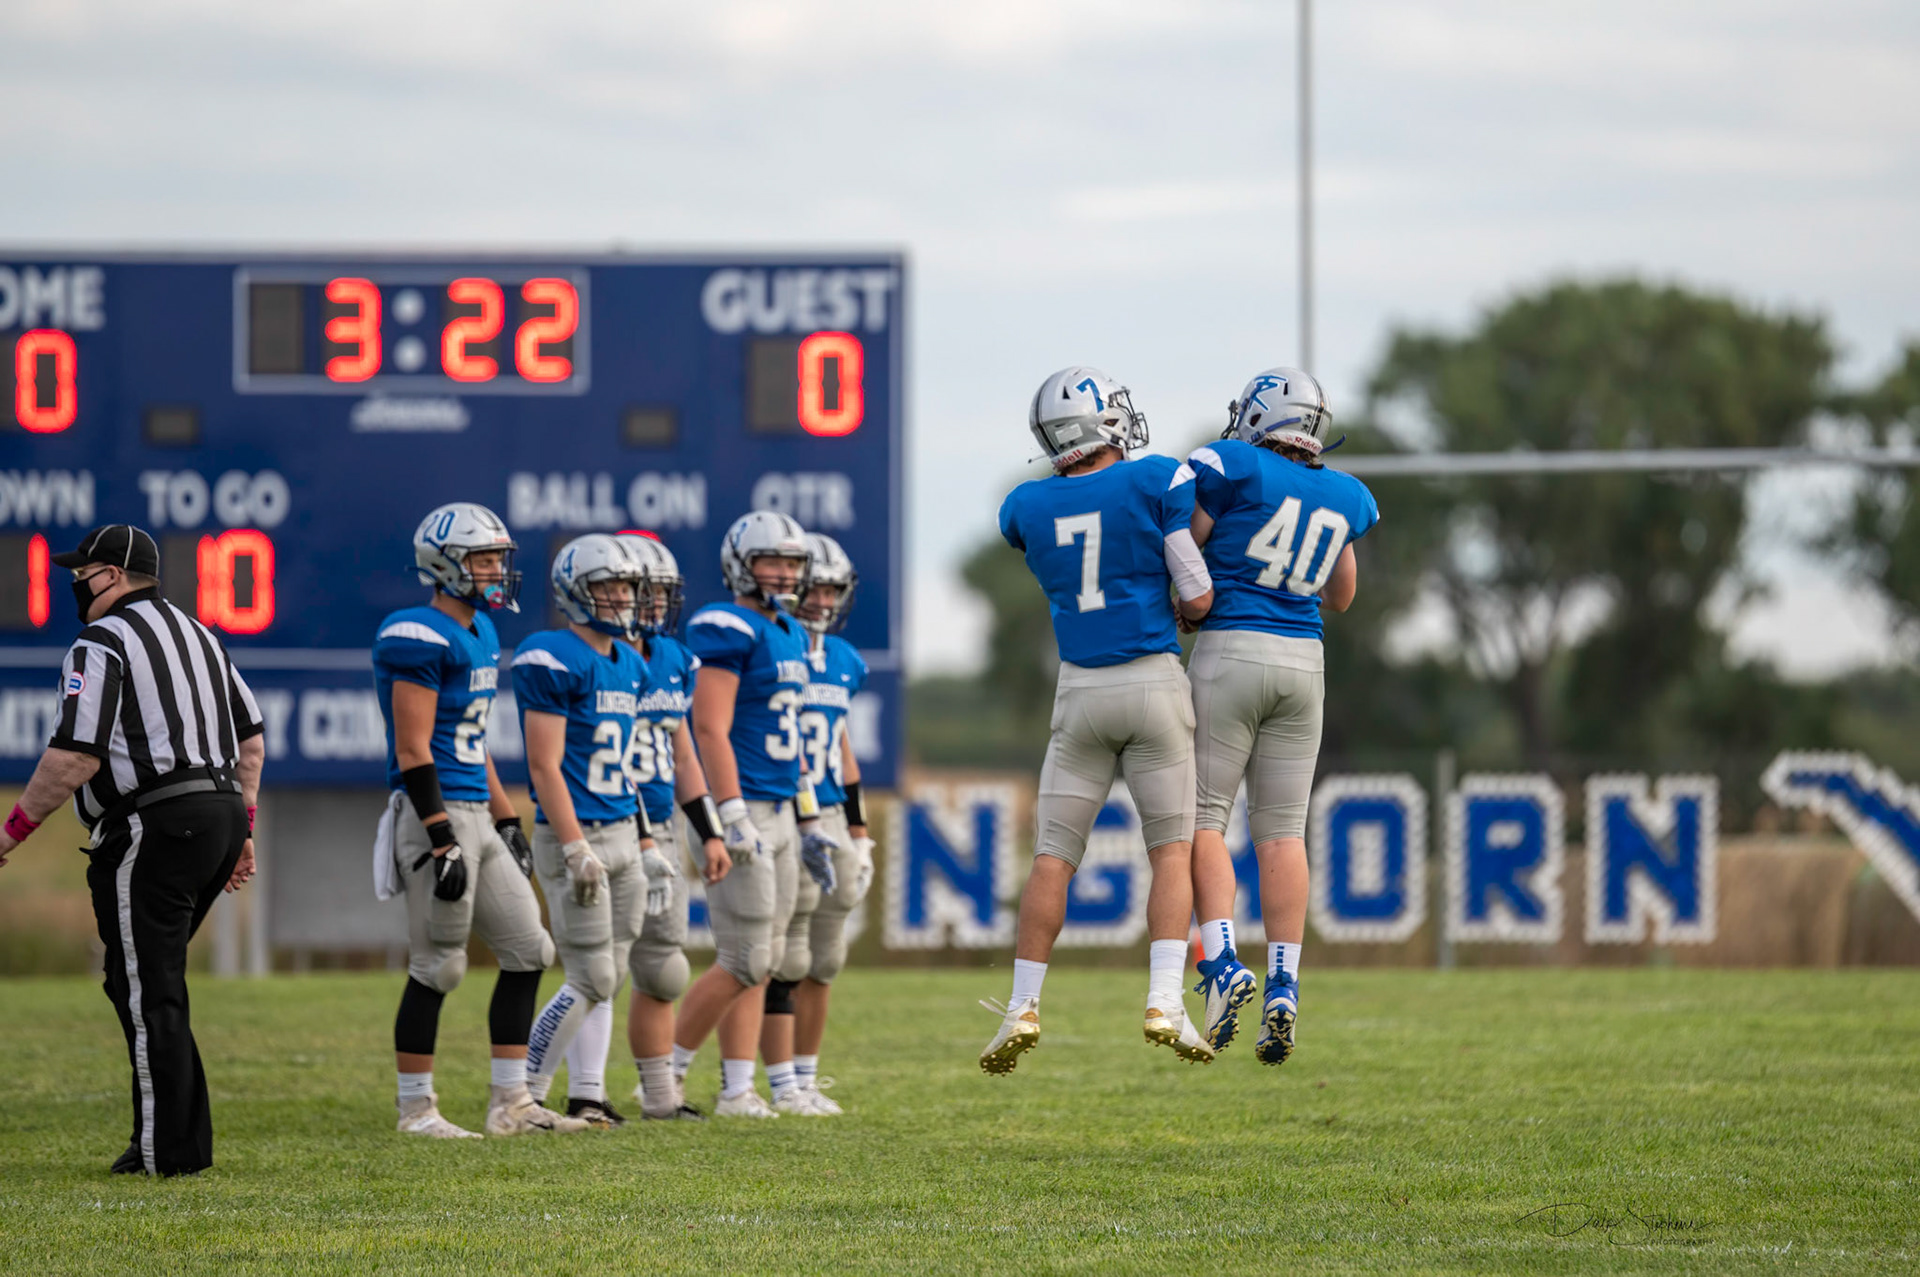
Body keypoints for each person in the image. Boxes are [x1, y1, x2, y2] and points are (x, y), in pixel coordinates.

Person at [0, 524, 263, 1176]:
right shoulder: (202, 634)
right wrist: (245, 827)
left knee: (148, 989)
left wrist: (12, 831)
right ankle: (175, 1140)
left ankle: (165, 1152)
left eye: (82, 573)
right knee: (140, 978)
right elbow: (251, 738)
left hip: (156, 822)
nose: (75, 584)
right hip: (218, 812)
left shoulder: (101, 640)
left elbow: (75, 755)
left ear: (112, 574)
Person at [980, 367, 1216, 1075]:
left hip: (1080, 691)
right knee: (1170, 852)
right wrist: (1183, 607)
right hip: (1151, 681)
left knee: (1053, 856)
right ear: (1099, 421)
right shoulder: (1155, 479)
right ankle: (1164, 1000)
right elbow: (1197, 592)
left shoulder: (1026, 505)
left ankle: (1023, 1005)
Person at [372, 502, 585, 1138]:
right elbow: (414, 747)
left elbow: (472, 739)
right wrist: (441, 835)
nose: (496, 569)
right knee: (439, 963)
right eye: (483, 558)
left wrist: (507, 818)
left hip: (477, 814)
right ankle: (416, 1109)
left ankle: (511, 1102)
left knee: (529, 948)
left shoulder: (483, 632)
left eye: (498, 557)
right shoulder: (416, 633)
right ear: (444, 565)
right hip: (432, 814)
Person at [1184, 368, 1378, 1065]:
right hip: (1305, 662)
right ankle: (1285, 983)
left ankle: (1223, 960)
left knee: (1204, 817)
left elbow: (1189, 554)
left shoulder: (1233, 464)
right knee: (1283, 834)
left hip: (1231, 650)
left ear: (1261, 415)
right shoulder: (1343, 493)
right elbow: (1344, 595)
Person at [671, 511, 835, 1118]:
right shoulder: (726, 625)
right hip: (741, 809)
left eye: (793, 563)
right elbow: (709, 727)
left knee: (765, 957)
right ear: (741, 565)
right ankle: (665, 1073)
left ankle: (738, 1088)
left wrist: (810, 819)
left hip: (782, 808)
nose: (786, 574)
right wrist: (730, 813)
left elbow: (792, 738)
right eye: (772, 561)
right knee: (745, 957)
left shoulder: (787, 629)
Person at [516, 534, 678, 1128]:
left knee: (610, 970)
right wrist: (574, 845)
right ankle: (522, 1093)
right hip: (575, 833)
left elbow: (628, 765)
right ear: (574, 591)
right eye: (606, 586)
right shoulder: (552, 655)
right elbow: (545, 766)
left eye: (627, 587)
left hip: (623, 829)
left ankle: (587, 1093)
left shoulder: (631, 664)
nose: (621, 598)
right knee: (591, 974)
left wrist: (646, 843)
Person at [614, 532, 731, 1121]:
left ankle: (660, 1096)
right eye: (645, 591)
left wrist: (709, 831)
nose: (656, 603)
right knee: (598, 969)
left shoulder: (671, 657)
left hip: (660, 824)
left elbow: (683, 755)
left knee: (663, 966)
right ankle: (556, 1089)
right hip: (605, 824)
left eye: (662, 592)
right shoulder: (595, 660)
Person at [781, 532, 875, 1115]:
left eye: (832, 590)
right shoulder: (774, 646)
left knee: (825, 958)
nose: (822, 601)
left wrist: (861, 834)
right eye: (814, 588)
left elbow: (841, 744)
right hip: (783, 808)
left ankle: (805, 1077)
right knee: (778, 955)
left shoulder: (843, 659)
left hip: (834, 811)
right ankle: (755, 1079)